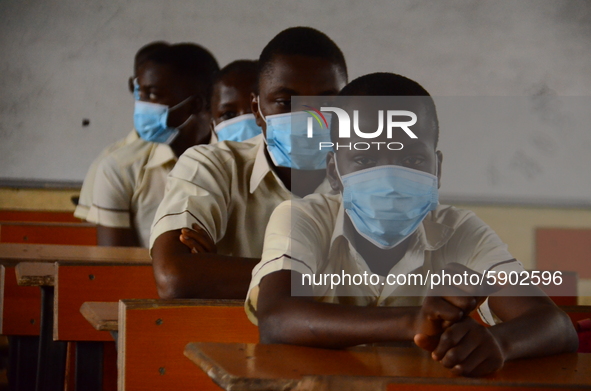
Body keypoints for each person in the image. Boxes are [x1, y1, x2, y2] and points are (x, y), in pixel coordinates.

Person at [246, 73, 578, 377]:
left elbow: (554, 325)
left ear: (437, 170)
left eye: (412, 159)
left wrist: (498, 344)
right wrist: (413, 321)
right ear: (334, 171)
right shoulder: (302, 217)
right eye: (364, 159)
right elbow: (277, 320)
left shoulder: (459, 230)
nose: (390, 180)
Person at [150, 27, 348, 299]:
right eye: (285, 102)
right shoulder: (211, 166)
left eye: (326, 102)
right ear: (258, 110)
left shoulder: (372, 177)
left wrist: (215, 271)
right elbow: (176, 277)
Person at [86, 43, 219, 247]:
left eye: (153, 94)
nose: (142, 105)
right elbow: (113, 267)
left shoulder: (236, 163)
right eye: (141, 94)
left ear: (195, 104)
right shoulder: (119, 167)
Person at [74, 41, 168, 220]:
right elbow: (95, 237)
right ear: (133, 87)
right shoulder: (111, 163)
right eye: (145, 89)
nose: (152, 98)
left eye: (158, 90)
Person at [210, 60, 261, 142]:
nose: (246, 125)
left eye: (257, 108)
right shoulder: (197, 155)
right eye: (229, 114)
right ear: (213, 126)